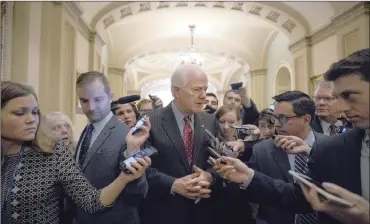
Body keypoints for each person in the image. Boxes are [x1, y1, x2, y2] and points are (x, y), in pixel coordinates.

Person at [212, 48, 370, 224]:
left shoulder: (322, 146)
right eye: (338, 97)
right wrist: (248, 176)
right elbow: (300, 198)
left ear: (306, 119)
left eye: (349, 96)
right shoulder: (333, 148)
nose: (341, 108)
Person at [0, 81, 151, 224]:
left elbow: (92, 202)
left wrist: (123, 178)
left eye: (35, 112)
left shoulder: (52, 153)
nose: (31, 119)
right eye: (19, 113)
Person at [139, 64, 220, 224]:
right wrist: (173, 184)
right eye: (197, 89)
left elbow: (217, 160)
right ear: (176, 91)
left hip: (202, 212)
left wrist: (209, 176)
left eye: (205, 89)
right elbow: (142, 167)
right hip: (162, 212)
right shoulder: (150, 121)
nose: (204, 95)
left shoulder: (210, 120)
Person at [73, 71, 150, 224]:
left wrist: (132, 156)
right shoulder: (87, 130)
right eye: (84, 101)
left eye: (98, 99)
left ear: (110, 97)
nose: (91, 107)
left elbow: (139, 192)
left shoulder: (128, 135)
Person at [249, 91, 325, 224]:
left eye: (283, 118)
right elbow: (254, 195)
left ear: (306, 120)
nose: (277, 124)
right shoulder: (262, 151)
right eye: (275, 118)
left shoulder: (331, 146)